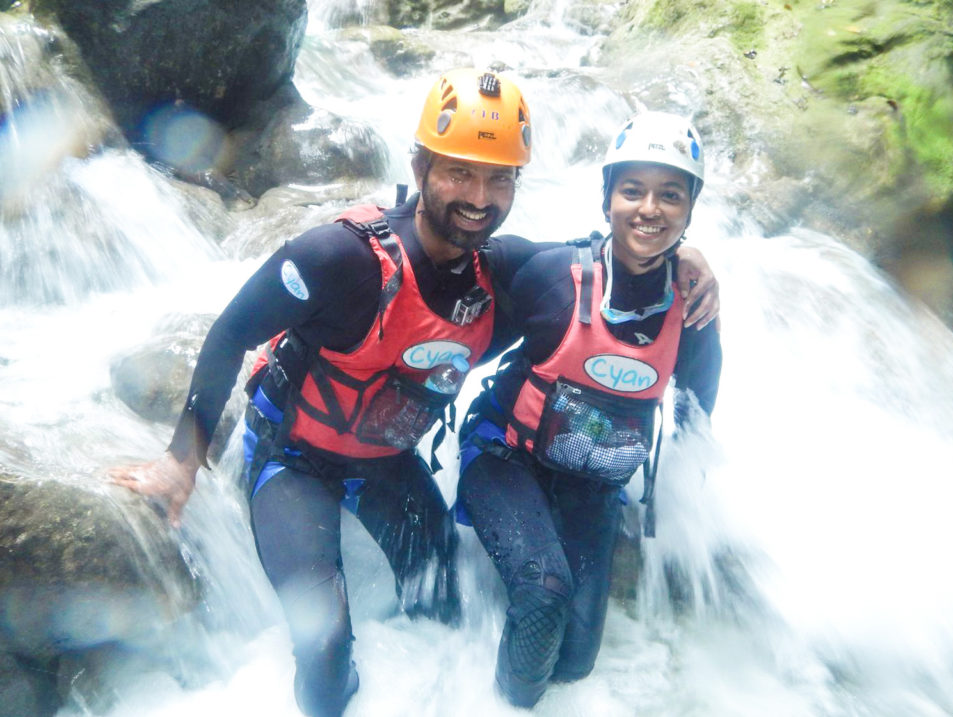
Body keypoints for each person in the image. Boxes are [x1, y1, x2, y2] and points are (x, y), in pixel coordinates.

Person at [109, 70, 719, 717]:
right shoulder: (340, 258)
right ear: (420, 163)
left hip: (386, 465)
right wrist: (182, 460)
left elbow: (599, 261)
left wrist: (687, 259)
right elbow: (232, 331)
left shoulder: (500, 270)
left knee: (444, 605)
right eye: (459, 172)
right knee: (323, 642)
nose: (479, 197)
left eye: (499, 177)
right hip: (294, 460)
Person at [456, 110, 723, 707]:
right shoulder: (554, 274)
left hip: (594, 483)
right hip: (505, 454)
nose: (649, 209)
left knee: (574, 662)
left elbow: (696, 419)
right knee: (545, 595)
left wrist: (684, 518)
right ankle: (508, 703)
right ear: (607, 200)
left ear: (689, 211)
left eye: (670, 196)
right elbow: (462, 280)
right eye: (633, 191)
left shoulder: (693, 310)